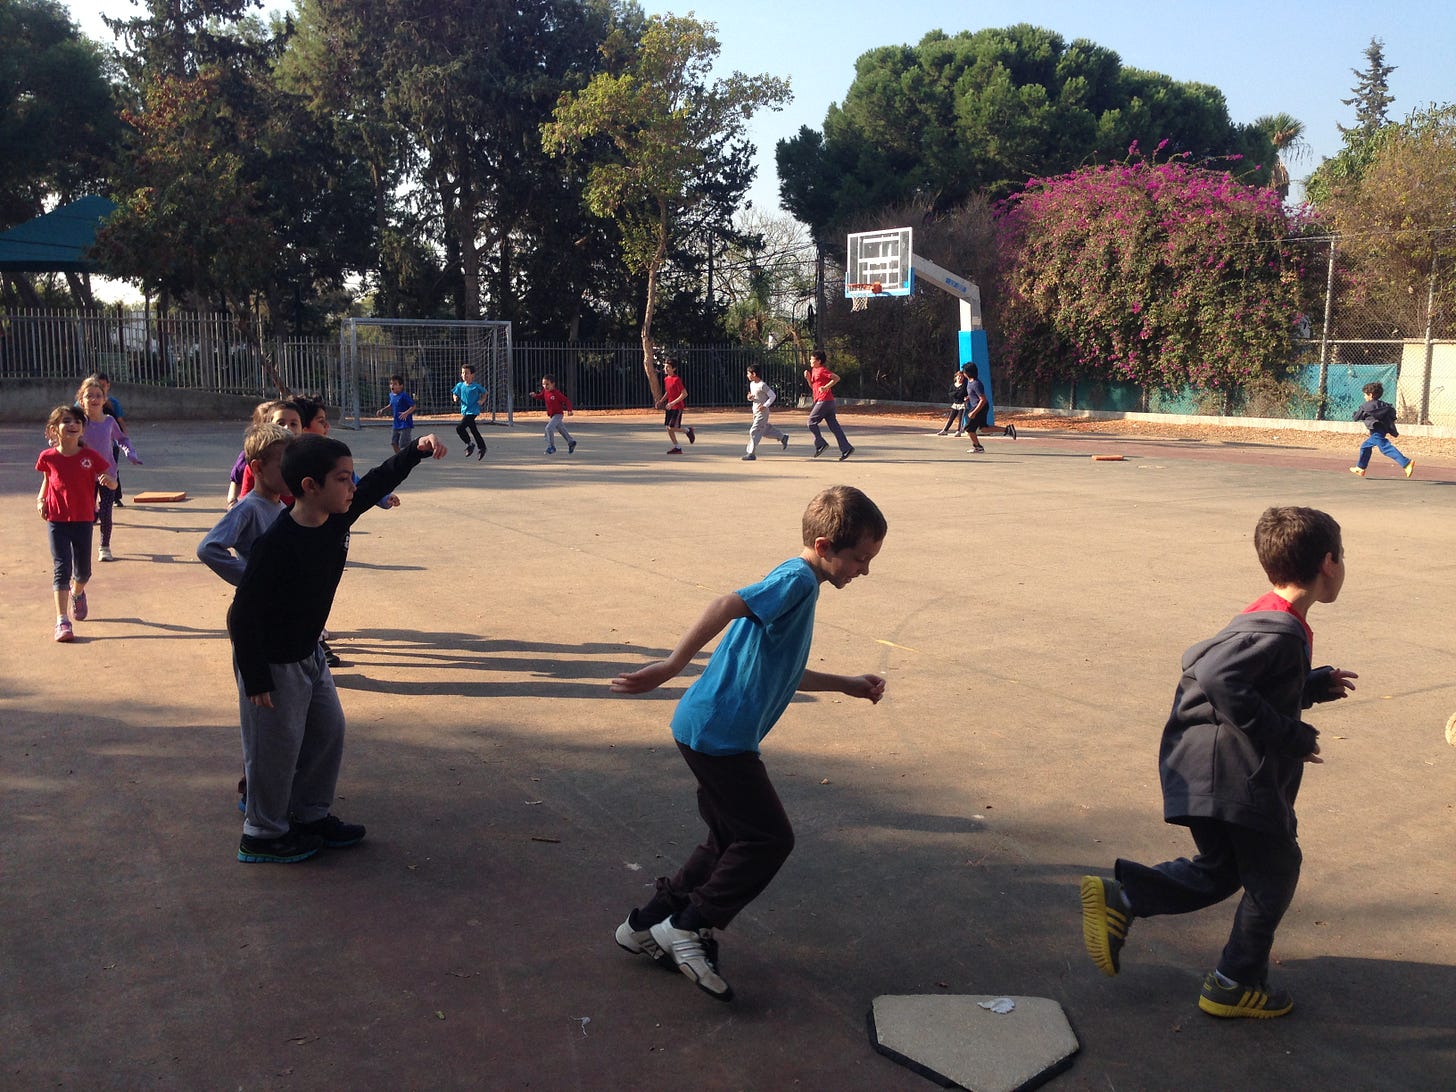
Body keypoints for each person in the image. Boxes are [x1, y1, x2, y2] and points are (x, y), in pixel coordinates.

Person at [610, 485, 888, 1000]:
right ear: (825, 546)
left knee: (728, 840)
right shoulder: (798, 580)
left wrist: (847, 684)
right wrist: (671, 666)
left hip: (705, 729)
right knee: (768, 839)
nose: (864, 571)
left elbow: (784, 668)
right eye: (859, 558)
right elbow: (725, 603)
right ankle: (689, 927)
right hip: (722, 736)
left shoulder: (800, 585)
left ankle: (644, 927)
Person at [1080, 506, 1357, 1019]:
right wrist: (1289, 734)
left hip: (1207, 770)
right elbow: (1218, 677)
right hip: (1233, 776)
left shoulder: (1271, 618)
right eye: (1344, 557)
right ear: (1328, 564)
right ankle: (1234, 981)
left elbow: (1250, 681)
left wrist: (1310, 687)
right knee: (1276, 870)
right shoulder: (1280, 630)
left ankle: (1126, 897)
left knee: (1226, 868)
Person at [227, 430, 447, 863]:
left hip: (308, 654)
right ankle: (263, 833)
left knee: (328, 732)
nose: (353, 487)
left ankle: (310, 815)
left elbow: (377, 483)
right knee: (275, 750)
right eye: (343, 479)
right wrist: (255, 676)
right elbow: (242, 613)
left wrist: (415, 452)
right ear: (310, 486)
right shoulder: (278, 543)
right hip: (271, 663)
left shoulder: (337, 518)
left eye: (351, 478)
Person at [197, 422, 295, 814]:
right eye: (282, 466)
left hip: (281, 618)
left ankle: (274, 788)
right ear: (256, 467)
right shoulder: (250, 508)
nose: (290, 474)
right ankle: (252, 792)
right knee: (260, 713)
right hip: (255, 619)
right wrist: (251, 581)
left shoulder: (280, 506)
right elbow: (209, 548)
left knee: (281, 713)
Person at [36, 405, 116, 643]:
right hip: (57, 520)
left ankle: (77, 592)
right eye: (66, 421)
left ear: (82, 430)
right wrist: (41, 499)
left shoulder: (90, 457)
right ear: (53, 430)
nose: (72, 425)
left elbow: (111, 481)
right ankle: (62, 620)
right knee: (62, 568)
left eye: (77, 422)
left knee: (83, 572)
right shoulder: (47, 457)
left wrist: (110, 483)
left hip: (83, 519)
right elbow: (47, 481)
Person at [75, 376, 141, 562]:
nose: (94, 399)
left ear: (105, 400)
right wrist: (56, 440)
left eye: (98, 395)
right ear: (81, 400)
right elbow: (65, 436)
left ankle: (104, 546)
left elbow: (122, 439)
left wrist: (130, 453)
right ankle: (83, 546)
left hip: (107, 473)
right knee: (87, 513)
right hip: (84, 474)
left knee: (106, 510)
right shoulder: (78, 423)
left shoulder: (109, 421)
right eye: (89, 396)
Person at [229, 400, 300, 507]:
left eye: (293, 424)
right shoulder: (248, 512)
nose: (287, 428)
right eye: (280, 423)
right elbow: (237, 484)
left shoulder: (307, 460)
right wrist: (232, 502)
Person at [1349, 382, 1414, 479]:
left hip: (1376, 432)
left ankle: (1406, 463)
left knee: (1385, 448)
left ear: (1370, 395)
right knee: (1365, 447)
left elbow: (1356, 417)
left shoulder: (1366, 406)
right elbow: (1392, 414)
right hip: (1383, 430)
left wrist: (1357, 413)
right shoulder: (1385, 405)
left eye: (1365, 395)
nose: (1364, 397)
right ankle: (1361, 468)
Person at [804, 349, 853, 461]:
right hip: (826, 401)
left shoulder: (822, 370)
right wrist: (808, 378)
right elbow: (813, 387)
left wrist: (826, 387)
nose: (810, 360)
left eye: (812, 359)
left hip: (824, 401)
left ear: (819, 361)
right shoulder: (814, 370)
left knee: (811, 422)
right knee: (834, 426)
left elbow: (836, 378)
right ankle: (846, 448)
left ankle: (821, 444)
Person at [960, 362, 1015, 453]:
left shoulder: (976, 384)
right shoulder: (970, 382)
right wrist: (969, 398)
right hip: (978, 406)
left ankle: (978, 447)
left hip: (980, 407)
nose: (963, 373)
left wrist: (974, 412)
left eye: (964, 371)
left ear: (968, 373)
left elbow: (983, 399)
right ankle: (1007, 430)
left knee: (969, 429)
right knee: (983, 428)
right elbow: (975, 395)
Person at [742, 365, 788, 461]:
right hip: (755, 411)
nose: (747, 375)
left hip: (762, 413)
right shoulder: (752, 384)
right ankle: (782, 437)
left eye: (748, 373)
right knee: (764, 430)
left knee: (753, 431)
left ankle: (751, 453)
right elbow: (755, 397)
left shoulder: (762, 385)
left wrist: (765, 405)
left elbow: (772, 396)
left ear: (754, 374)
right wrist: (750, 397)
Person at [96, 373, 128, 506]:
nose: (100, 389)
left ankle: (114, 496)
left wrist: (125, 441)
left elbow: (120, 422)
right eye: (98, 385)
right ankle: (92, 503)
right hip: (90, 447)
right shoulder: (83, 404)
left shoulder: (113, 404)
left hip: (110, 445)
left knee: (112, 469)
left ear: (108, 386)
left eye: (103, 386)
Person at [655, 357, 694, 454]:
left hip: (677, 407)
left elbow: (684, 394)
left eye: (668, 367)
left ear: (674, 369)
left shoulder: (677, 380)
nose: (666, 368)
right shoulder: (666, 379)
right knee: (668, 427)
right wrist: (661, 401)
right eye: (665, 366)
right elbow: (668, 392)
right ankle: (677, 447)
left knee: (672, 427)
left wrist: (673, 403)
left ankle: (688, 430)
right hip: (669, 407)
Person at [529, 374, 577, 454]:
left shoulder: (556, 393)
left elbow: (566, 401)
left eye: (547, 384)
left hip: (558, 415)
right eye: (543, 384)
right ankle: (571, 442)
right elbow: (541, 396)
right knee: (561, 429)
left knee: (548, 428)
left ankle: (551, 447)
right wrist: (535, 395)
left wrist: (570, 410)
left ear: (553, 384)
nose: (545, 386)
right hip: (552, 415)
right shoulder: (545, 391)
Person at [451, 364, 488, 460]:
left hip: (473, 411)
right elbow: (454, 393)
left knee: (459, 428)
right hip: (465, 411)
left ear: (472, 375)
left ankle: (470, 444)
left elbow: (485, 392)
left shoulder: (476, 386)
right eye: (463, 373)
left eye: (466, 373)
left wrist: (482, 400)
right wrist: (455, 397)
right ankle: (482, 447)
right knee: (474, 430)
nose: (464, 375)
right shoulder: (460, 385)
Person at [377, 375, 417, 453]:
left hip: (405, 424)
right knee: (394, 443)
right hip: (396, 424)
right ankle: (399, 458)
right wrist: (383, 410)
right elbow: (391, 405)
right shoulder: (391, 395)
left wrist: (406, 413)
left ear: (401, 386)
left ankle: (406, 459)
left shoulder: (404, 396)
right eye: (391, 384)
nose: (392, 386)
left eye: (395, 384)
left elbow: (413, 406)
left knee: (404, 445)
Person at [936, 369, 969, 436]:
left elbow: (963, 394)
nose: (960, 378)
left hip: (962, 404)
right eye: (959, 376)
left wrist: (963, 396)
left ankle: (958, 431)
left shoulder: (965, 386)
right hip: (955, 404)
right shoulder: (953, 385)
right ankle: (945, 430)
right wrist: (957, 392)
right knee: (951, 418)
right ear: (956, 377)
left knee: (960, 419)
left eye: (962, 376)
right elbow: (950, 394)